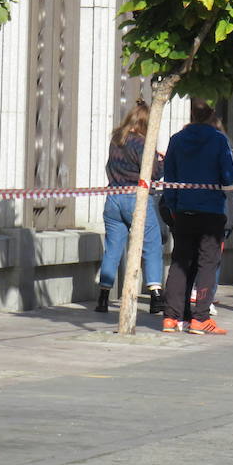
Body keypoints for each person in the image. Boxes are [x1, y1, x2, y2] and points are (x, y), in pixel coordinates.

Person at [160, 102, 233, 334]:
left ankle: (171, 317)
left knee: (180, 262)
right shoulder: (219, 140)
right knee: (207, 263)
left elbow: (170, 179)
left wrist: (174, 208)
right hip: (210, 211)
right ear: (213, 114)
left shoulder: (177, 139)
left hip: (183, 210)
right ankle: (200, 317)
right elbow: (229, 177)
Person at [95, 99, 165, 315]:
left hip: (113, 197)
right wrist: (161, 160)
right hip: (136, 197)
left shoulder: (116, 140)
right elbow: (153, 172)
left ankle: (103, 297)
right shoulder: (143, 143)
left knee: (113, 249)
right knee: (151, 245)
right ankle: (155, 295)